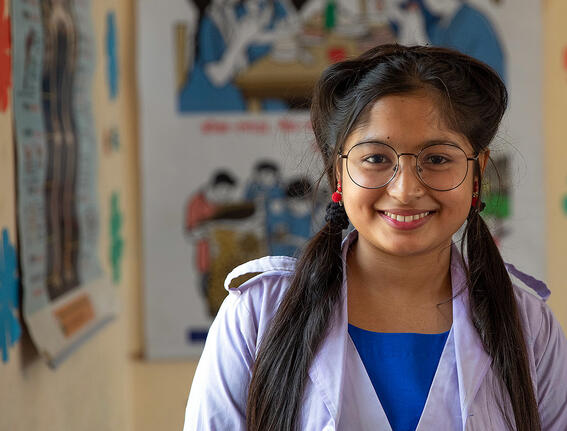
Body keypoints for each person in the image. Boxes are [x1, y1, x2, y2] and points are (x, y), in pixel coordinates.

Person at [183, 44, 567, 430]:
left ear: (477, 173)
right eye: (376, 158)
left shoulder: (529, 325)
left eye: (436, 159)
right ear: (337, 171)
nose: (404, 189)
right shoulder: (257, 314)